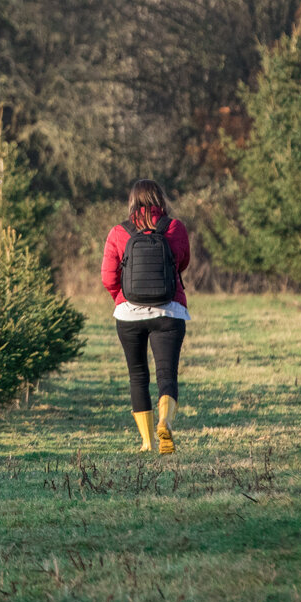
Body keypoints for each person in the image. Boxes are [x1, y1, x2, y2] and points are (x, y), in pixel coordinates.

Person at [100, 179, 190, 453]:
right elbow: (182, 262)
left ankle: (147, 442)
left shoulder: (118, 231)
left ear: (132, 202)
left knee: (138, 375)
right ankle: (165, 421)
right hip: (169, 311)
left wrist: (122, 298)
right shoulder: (174, 228)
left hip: (128, 315)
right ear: (159, 199)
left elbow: (108, 277)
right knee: (167, 374)